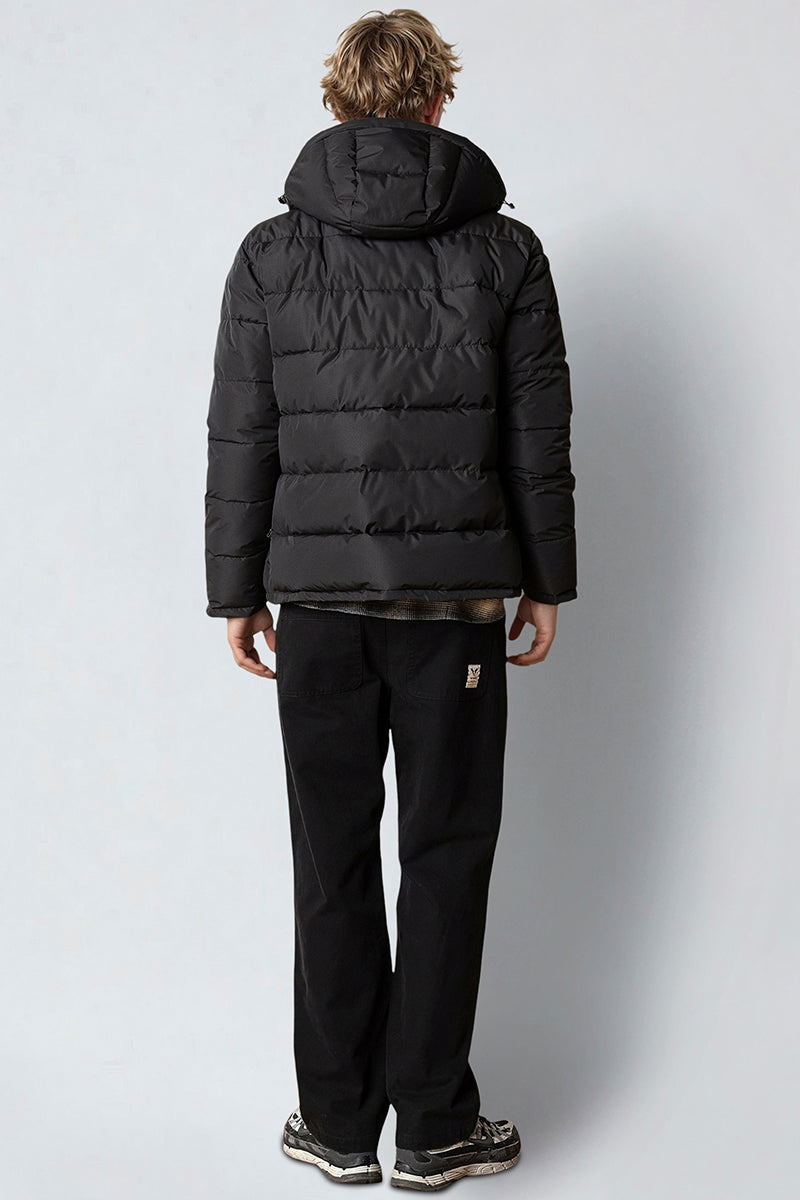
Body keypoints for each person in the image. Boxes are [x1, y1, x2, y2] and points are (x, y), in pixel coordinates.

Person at [204, 8, 577, 1190]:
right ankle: (431, 1129)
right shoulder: (505, 253)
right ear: (435, 102)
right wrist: (546, 581)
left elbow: (240, 434)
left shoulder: (270, 254)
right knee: (445, 858)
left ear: (338, 100)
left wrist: (234, 592)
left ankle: (333, 1124)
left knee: (330, 863)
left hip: (315, 612)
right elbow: (537, 438)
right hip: (453, 615)